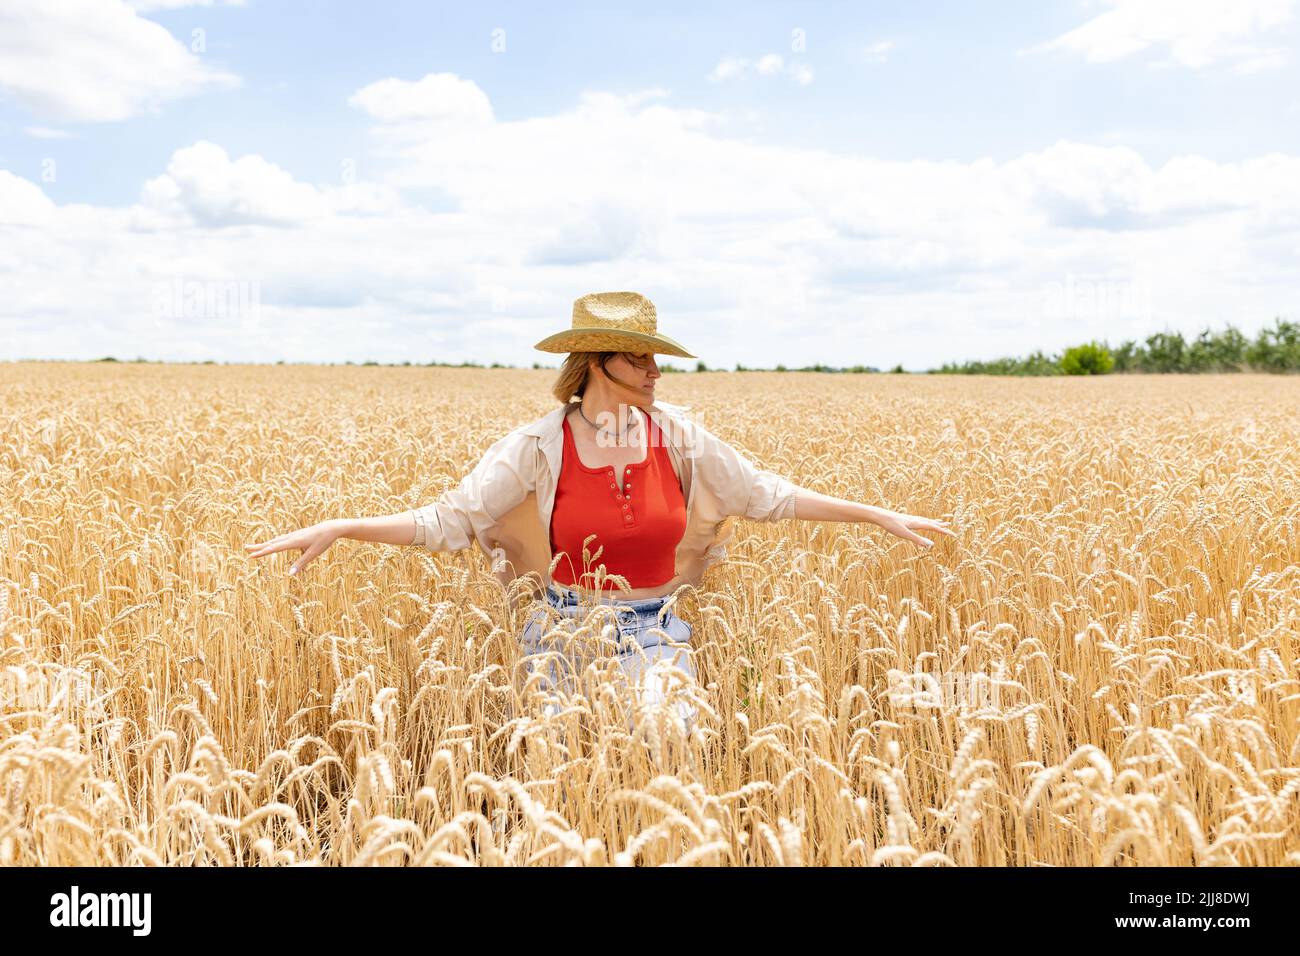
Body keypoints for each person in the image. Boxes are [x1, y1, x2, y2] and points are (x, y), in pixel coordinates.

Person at [243, 290, 955, 739]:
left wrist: (873, 514)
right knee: (563, 774)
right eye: (639, 357)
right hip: (560, 632)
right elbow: (448, 521)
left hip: (654, 632)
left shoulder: (677, 436)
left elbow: (764, 495)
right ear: (596, 362)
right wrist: (342, 526)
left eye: (655, 357)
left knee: (676, 746)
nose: (655, 370)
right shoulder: (539, 446)